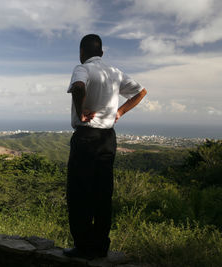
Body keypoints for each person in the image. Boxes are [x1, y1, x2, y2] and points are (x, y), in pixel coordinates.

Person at [63, 34, 147, 260]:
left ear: (82, 52)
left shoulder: (82, 69)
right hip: (107, 139)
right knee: (102, 193)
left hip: (86, 138)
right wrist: (120, 111)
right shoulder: (115, 73)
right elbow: (141, 92)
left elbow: (78, 87)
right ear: (101, 53)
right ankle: (100, 248)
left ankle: (82, 247)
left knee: (80, 193)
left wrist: (81, 111)